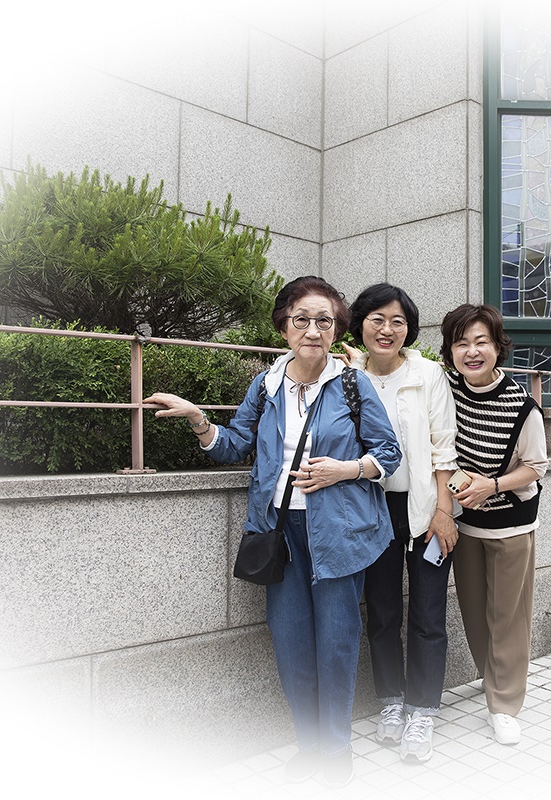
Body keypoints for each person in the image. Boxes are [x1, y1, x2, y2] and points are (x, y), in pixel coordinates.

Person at [143, 276, 400, 788]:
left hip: (338, 532)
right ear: (284, 327)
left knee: (337, 643)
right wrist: (198, 420)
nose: (312, 330)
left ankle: (336, 747)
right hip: (277, 531)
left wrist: (345, 470)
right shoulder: (266, 385)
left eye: (323, 321)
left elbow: (389, 453)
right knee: (291, 643)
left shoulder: (353, 384)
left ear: (336, 329)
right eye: (301, 320)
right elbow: (234, 444)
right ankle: (309, 745)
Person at [343, 283, 458, 764]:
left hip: (425, 508)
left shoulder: (428, 374)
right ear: (361, 325)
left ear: (408, 328)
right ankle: (391, 701)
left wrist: (444, 511)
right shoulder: (348, 377)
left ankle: (423, 710)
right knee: (383, 611)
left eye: (398, 321)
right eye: (377, 319)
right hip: (373, 510)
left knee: (428, 613)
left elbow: (444, 446)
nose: (387, 329)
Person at [440, 304, 547, 745]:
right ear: (450, 351)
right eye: (461, 343)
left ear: (497, 347)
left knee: (508, 617)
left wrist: (494, 485)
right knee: (474, 613)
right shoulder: (446, 387)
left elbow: (536, 466)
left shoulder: (522, 405)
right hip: (465, 524)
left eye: (481, 342)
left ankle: (504, 704)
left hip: (511, 526)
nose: (471, 351)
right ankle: (493, 679)